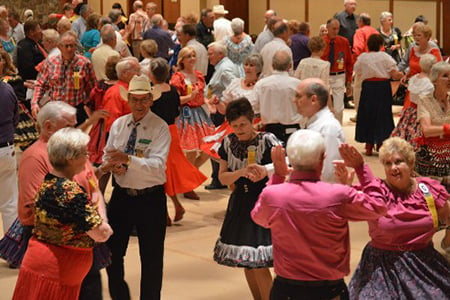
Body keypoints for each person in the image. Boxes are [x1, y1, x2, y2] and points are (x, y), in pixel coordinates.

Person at [251, 129, 387, 300]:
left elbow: (258, 217)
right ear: (323, 159)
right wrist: (361, 169)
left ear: (290, 160)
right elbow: (379, 207)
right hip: (329, 291)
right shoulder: (338, 195)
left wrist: (278, 176)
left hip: (286, 290)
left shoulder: (273, 195)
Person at [335, 138, 450, 299]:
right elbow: (348, 210)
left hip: (423, 262)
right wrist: (345, 189)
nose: (393, 168)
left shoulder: (427, 189)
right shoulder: (376, 191)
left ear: (411, 163)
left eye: (398, 162)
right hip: (381, 267)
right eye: (388, 164)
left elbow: (447, 217)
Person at [12, 127, 113, 300]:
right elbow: (101, 233)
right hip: (56, 272)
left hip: (43, 265)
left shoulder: (50, 180)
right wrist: (103, 219)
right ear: (70, 158)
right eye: (84, 153)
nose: (87, 157)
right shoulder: (70, 193)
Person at [104, 74, 170, 300]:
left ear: (151, 100)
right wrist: (114, 166)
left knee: (152, 259)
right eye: (135, 99)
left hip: (151, 200)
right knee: (111, 253)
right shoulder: (119, 125)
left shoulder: (160, 127)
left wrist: (128, 160)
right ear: (128, 100)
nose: (139, 104)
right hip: (122, 197)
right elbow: (108, 155)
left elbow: (157, 165)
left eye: (144, 99)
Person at [214, 98, 280, 300]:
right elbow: (223, 177)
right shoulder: (227, 142)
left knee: (259, 264)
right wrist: (241, 172)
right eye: (234, 126)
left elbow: (283, 167)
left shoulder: (268, 140)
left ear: (252, 120)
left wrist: (264, 172)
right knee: (247, 263)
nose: (239, 129)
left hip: (263, 204)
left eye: (243, 124)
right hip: (240, 204)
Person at [149, 58, 207, 221]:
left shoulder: (152, 93)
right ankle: (175, 206)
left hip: (157, 134)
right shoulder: (173, 90)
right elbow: (176, 113)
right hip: (172, 132)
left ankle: (167, 213)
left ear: (152, 74)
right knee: (170, 172)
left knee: (159, 173)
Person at [31, 31, 96, 125]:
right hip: (56, 110)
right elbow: (40, 84)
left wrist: (91, 109)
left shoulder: (84, 63)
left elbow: (92, 88)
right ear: (59, 47)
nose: (69, 49)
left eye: (72, 46)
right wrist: (34, 103)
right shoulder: (51, 62)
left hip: (76, 111)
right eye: (66, 46)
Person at [353, 34, 403, 155]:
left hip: (368, 88)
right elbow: (394, 74)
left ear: (368, 45)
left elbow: (357, 71)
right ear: (381, 45)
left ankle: (368, 144)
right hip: (382, 88)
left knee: (367, 114)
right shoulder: (385, 57)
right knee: (383, 114)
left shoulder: (363, 57)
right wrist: (403, 74)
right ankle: (381, 142)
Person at [170, 47, 215, 169]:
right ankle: (188, 180)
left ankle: (191, 173)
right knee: (191, 151)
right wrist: (190, 97)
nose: (192, 58)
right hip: (186, 114)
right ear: (182, 60)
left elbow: (202, 96)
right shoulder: (178, 77)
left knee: (209, 148)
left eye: (193, 55)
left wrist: (208, 101)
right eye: (189, 56)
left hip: (200, 113)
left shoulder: (199, 75)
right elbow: (175, 100)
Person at [294, 78, 345, 183]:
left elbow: (328, 171)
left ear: (313, 100)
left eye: (298, 96)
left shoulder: (328, 128)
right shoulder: (315, 122)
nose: (294, 100)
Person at [204, 42, 239, 189]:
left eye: (211, 53)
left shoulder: (225, 69)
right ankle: (217, 177)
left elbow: (234, 87)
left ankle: (218, 178)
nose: (208, 56)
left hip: (220, 111)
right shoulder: (221, 66)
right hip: (217, 108)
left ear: (220, 54)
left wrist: (223, 104)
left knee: (216, 145)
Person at [253, 50, 300, 145]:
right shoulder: (298, 84)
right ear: (290, 66)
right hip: (294, 130)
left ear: (272, 65)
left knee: (271, 158)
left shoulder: (261, 84)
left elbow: (255, 107)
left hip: (270, 130)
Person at [415, 62, 450, 187]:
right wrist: (447, 129)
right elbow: (427, 130)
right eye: (445, 76)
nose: (449, 79)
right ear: (434, 80)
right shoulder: (425, 99)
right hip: (431, 155)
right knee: (432, 195)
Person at [391, 53, 437, 149]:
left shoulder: (414, 78)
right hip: (422, 112)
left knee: (405, 132)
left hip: (410, 110)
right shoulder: (429, 83)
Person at [321, 18, 354, 124]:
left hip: (339, 75)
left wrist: (349, 81)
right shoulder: (321, 42)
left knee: (339, 107)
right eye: (333, 29)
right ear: (327, 28)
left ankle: (338, 129)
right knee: (323, 106)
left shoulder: (343, 42)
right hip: (325, 75)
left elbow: (349, 62)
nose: (336, 31)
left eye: (337, 29)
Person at [0, 77, 18, 236]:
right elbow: (15, 119)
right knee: (9, 202)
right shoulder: (8, 90)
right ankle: (11, 251)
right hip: (6, 149)